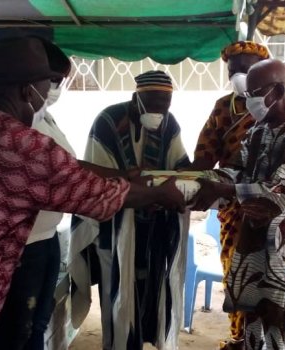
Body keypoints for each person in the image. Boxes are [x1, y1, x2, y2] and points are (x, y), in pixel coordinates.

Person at [0, 37, 185, 350]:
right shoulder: (25, 147)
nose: (50, 93)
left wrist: (123, 174)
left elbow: (68, 168)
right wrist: (161, 193)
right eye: (48, 85)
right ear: (29, 90)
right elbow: (102, 197)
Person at [192, 41, 285, 350]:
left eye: (255, 95)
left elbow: (280, 193)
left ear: (279, 91)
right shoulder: (260, 130)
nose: (249, 101)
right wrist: (194, 188)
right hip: (257, 248)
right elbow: (239, 174)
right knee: (255, 325)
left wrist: (224, 189)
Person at [74, 70, 190, 350]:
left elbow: (179, 162)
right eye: (152, 103)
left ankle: (146, 339)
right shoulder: (108, 121)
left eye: (165, 104)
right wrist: (139, 187)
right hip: (115, 225)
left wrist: (190, 179)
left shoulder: (168, 123)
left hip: (154, 225)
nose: (159, 111)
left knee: (149, 285)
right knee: (117, 288)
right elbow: (98, 177)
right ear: (137, 97)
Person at [0, 39, 75, 350]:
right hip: (21, 249)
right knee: (18, 333)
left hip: (45, 238)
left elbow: (69, 166)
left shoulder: (41, 116)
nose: (55, 89)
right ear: (31, 85)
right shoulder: (8, 128)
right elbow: (64, 179)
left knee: (37, 324)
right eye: (53, 81)